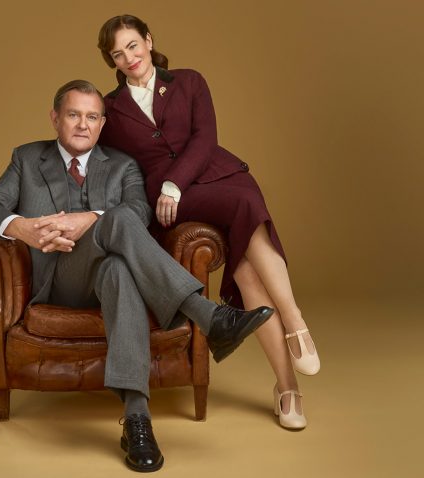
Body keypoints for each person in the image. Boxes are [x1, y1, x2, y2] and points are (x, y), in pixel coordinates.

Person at [0, 79, 274, 472]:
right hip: (58, 281)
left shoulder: (122, 164)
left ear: (102, 123)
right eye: (74, 115)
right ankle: (207, 315)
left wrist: (88, 219)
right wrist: (20, 227)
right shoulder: (27, 159)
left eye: (92, 117)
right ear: (55, 118)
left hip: (109, 279)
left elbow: (140, 213)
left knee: (119, 265)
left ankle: (137, 420)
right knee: (117, 220)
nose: (83, 124)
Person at [97, 14, 321, 431]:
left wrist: (174, 183)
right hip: (171, 205)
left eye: (133, 45)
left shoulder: (189, 81)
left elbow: (204, 139)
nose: (129, 58)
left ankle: (289, 371)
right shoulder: (111, 109)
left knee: (247, 269)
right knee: (244, 208)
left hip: (214, 176)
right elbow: (102, 161)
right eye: (118, 54)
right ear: (112, 61)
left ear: (148, 41)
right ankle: (295, 331)